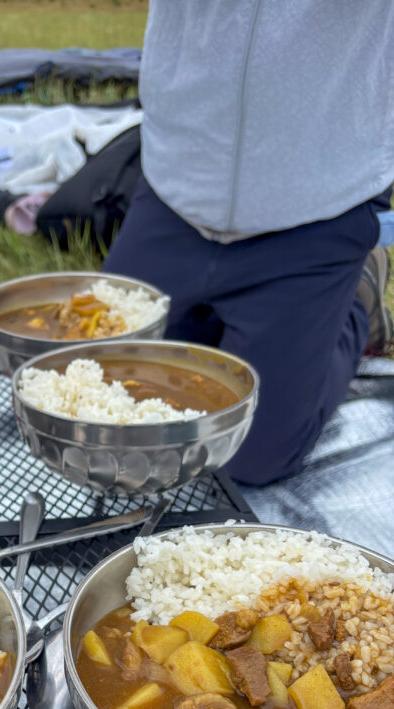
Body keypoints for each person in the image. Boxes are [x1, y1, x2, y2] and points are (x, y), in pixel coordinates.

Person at [103, 0, 394, 486]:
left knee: (250, 457)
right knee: (102, 411)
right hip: (177, 184)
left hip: (318, 205)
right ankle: (235, 323)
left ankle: (357, 301)